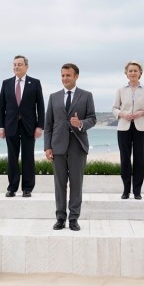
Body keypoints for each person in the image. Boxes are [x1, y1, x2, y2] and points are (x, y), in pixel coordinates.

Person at [44, 63, 96, 231]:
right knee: (59, 184)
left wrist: (80, 123)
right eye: (62, 75)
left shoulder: (86, 96)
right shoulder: (54, 97)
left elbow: (93, 118)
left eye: (68, 75)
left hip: (77, 146)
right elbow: (48, 125)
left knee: (76, 184)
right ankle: (60, 218)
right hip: (57, 147)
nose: (64, 78)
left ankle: (74, 218)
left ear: (76, 76)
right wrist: (47, 147)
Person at [0, 55, 45, 198]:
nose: (16, 67)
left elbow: (41, 107)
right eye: (14, 64)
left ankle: (27, 188)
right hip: (10, 125)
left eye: (19, 64)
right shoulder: (6, 83)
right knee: (12, 157)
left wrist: (40, 126)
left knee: (28, 157)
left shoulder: (35, 83)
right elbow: (1, 107)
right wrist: (0, 126)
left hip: (29, 126)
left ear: (26, 67)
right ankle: (12, 187)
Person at [111, 61, 144, 200]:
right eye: (130, 71)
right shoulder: (120, 90)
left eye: (135, 70)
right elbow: (114, 108)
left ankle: (137, 191)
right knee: (125, 159)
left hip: (140, 127)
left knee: (139, 159)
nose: (133, 73)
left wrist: (142, 113)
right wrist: (122, 114)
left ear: (140, 73)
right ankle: (125, 190)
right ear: (126, 73)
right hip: (123, 127)